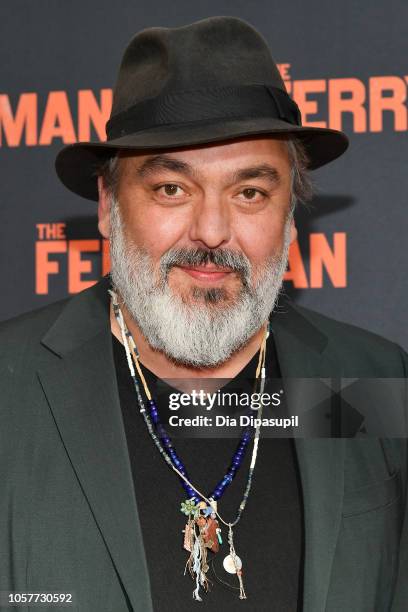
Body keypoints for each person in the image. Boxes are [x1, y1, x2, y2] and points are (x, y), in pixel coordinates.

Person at [0, 16, 407, 612]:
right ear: (109, 205)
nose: (213, 232)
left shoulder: (371, 379)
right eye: (172, 189)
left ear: (290, 215)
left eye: (250, 193)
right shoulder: (11, 390)